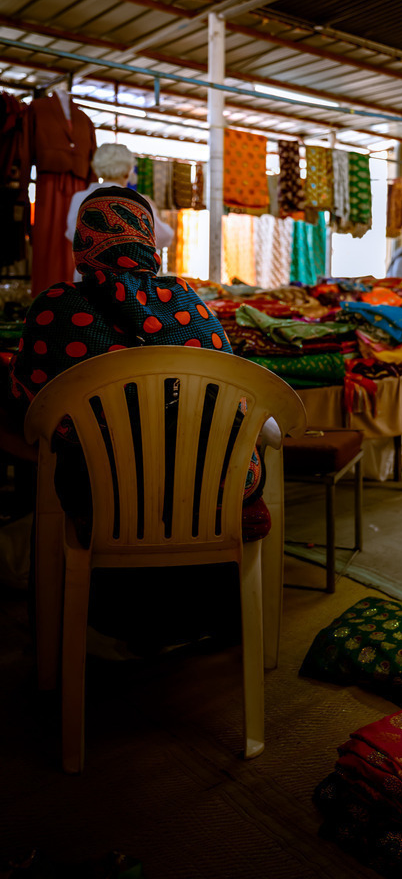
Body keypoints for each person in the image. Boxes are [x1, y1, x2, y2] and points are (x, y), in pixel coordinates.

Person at [9, 185, 262, 650]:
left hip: (108, 500)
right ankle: (208, 615)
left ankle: (100, 620)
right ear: (149, 239)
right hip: (211, 496)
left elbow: (34, 408)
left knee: (66, 457)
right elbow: (238, 397)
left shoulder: (55, 307)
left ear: (81, 242)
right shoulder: (190, 302)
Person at [65, 143, 174, 280]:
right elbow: (164, 237)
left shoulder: (79, 197)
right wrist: (153, 210)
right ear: (128, 170)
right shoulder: (137, 200)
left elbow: (72, 234)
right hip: (130, 285)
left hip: (88, 280)